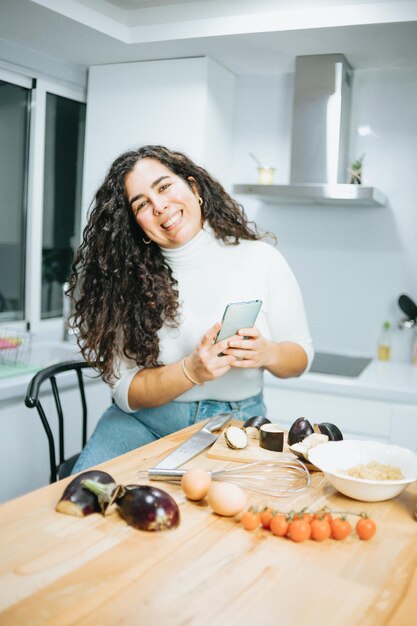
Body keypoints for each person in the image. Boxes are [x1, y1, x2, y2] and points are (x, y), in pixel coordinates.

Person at [69, 145, 313, 473]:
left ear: (194, 188)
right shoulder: (121, 282)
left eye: (164, 187)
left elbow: (301, 357)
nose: (160, 206)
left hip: (236, 425)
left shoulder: (261, 260)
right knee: (85, 496)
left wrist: (266, 353)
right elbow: (127, 390)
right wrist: (192, 371)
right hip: (145, 424)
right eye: (141, 204)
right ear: (134, 223)